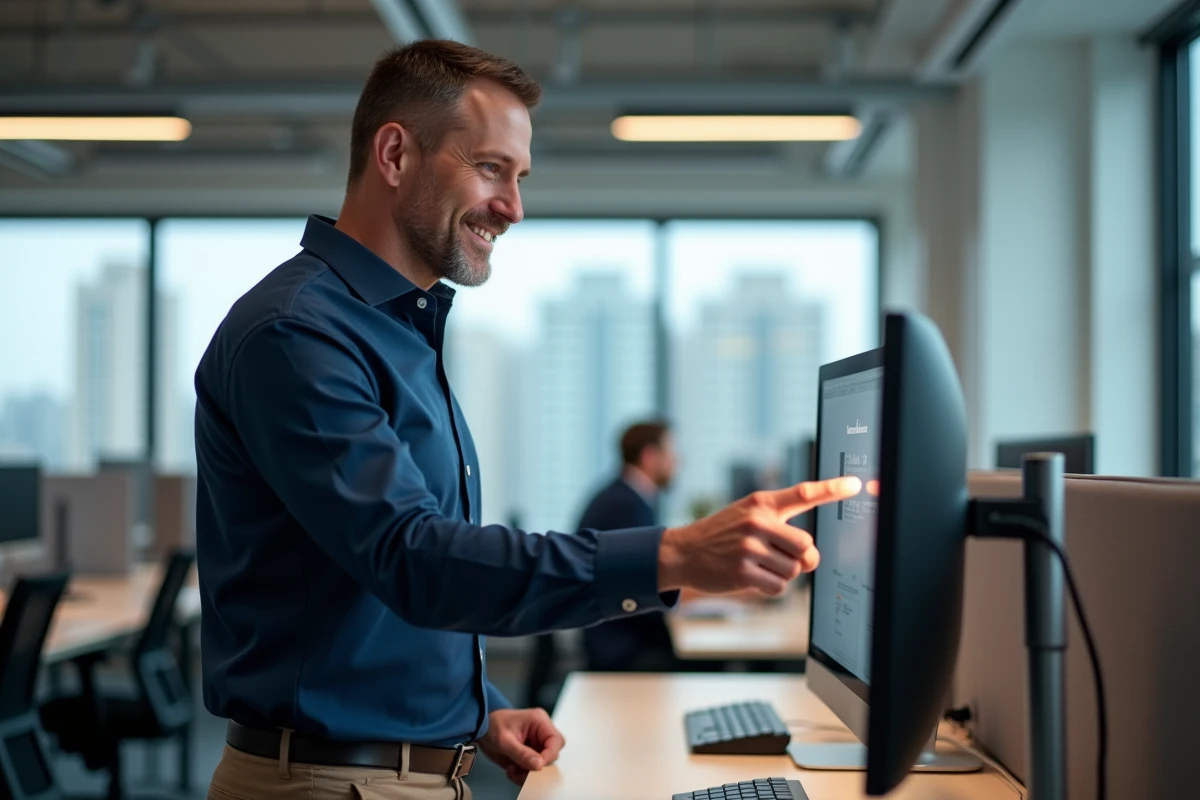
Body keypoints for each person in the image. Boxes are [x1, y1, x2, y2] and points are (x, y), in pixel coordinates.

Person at [194, 39, 862, 800]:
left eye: (519, 177)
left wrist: (476, 714)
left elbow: (370, 597)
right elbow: (414, 561)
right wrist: (671, 554)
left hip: (397, 770)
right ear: (394, 154)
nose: (513, 207)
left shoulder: (393, 333)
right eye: (490, 168)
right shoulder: (298, 334)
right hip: (331, 784)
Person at [575, 420, 683, 672]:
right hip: (622, 648)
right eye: (671, 454)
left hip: (614, 637)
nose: (677, 462)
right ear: (649, 456)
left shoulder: (623, 496)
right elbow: (645, 587)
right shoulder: (626, 507)